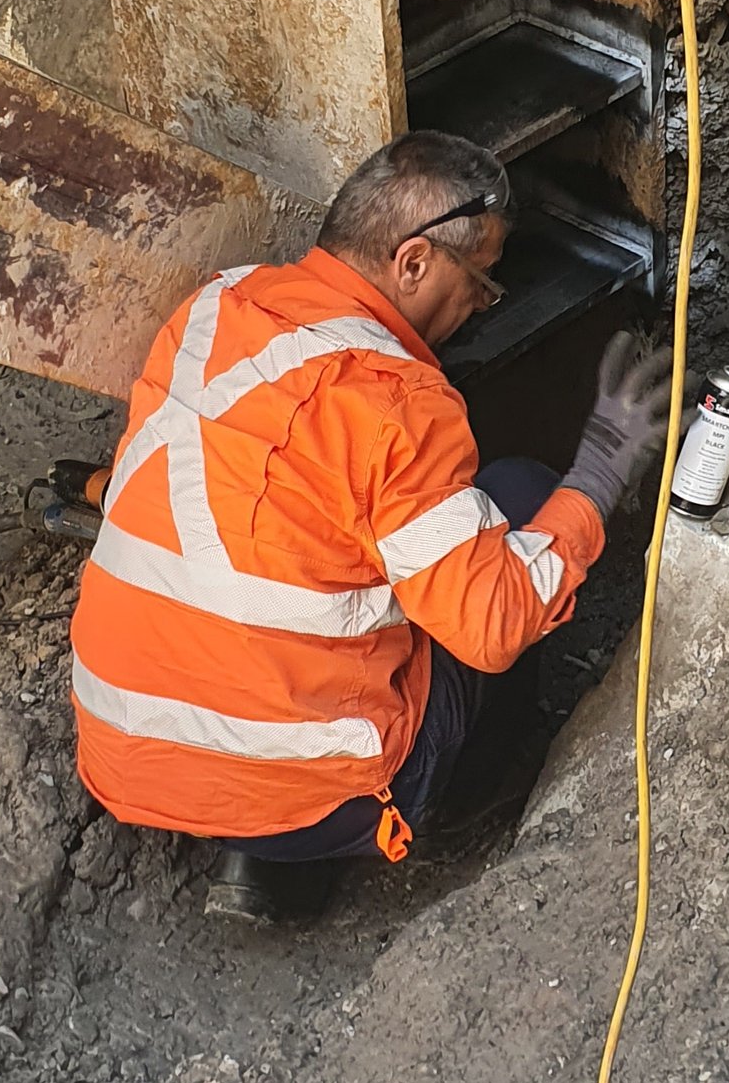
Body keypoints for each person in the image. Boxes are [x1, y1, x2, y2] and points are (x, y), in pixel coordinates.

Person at [68, 130, 676, 923]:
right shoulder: (397, 401)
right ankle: (468, 798)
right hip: (309, 794)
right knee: (524, 498)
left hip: (124, 752)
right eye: (483, 282)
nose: (481, 305)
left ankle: (253, 849)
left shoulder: (214, 310)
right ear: (415, 262)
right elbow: (492, 622)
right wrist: (599, 466)